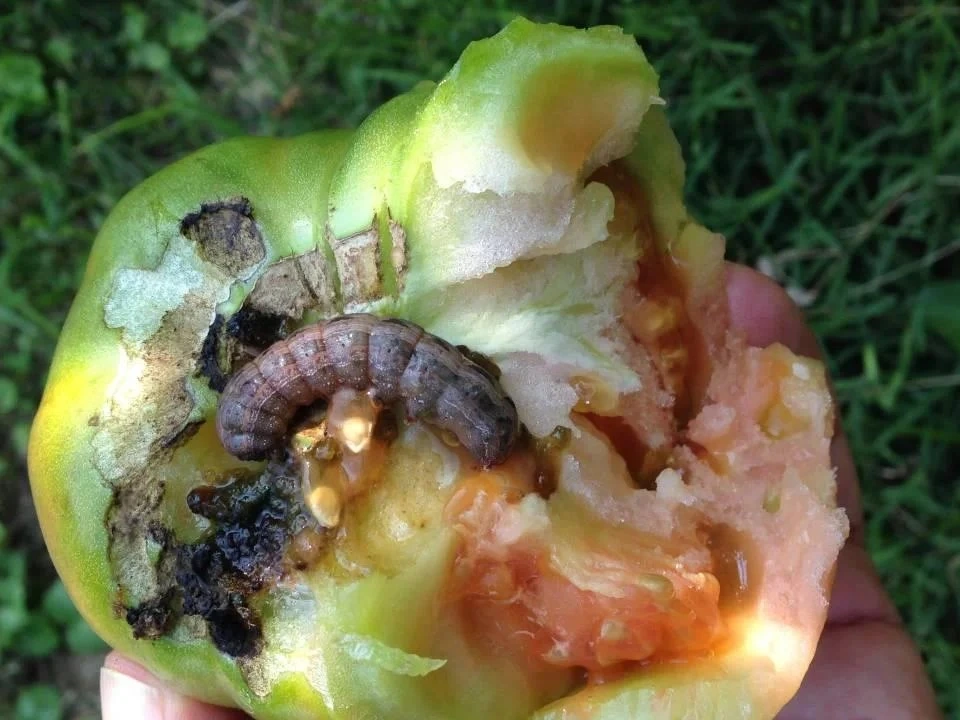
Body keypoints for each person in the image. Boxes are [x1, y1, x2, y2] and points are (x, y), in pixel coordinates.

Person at [99, 264, 942, 720]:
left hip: (443, 390)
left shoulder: (325, 384)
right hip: (419, 375)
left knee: (456, 405)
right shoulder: (324, 375)